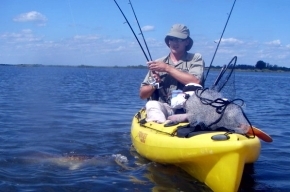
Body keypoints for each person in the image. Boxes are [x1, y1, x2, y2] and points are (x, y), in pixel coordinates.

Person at [139, 24, 205, 123]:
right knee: (152, 104)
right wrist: (154, 84)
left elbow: (195, 81)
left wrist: (166, 68)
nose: (175, 43)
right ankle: (161, 127)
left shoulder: (195, 58)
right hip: (165, 107)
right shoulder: (158, 63)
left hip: (189, 108)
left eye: (179, 39)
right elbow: (143, 95)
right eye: (172, 39)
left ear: (186, 42)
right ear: (168, 41)